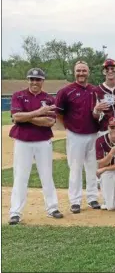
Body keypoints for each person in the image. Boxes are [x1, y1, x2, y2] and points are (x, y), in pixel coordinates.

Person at [8, 68, 63, 225]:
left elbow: (50, 122)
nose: (34, 82)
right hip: (23, 141)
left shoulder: (49, 99)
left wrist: (27, 117)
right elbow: (16, 116)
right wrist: (39, 112)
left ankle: (52, 208)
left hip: (43, 141)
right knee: (20, 176)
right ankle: (15, 212)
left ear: (42, 81)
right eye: (32, 79)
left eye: (38, 79)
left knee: (47, 175)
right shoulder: (18, 95)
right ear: (28, 80)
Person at [55, 60, 101, 213]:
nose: (81, 73)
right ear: (74, 72)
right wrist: (68, 127)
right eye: (78, 70)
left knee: (92, 167)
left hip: (93, 133)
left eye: (84, 70)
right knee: (75, 168)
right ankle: (75, 200)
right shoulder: (66, 91)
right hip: (75, 134)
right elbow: (59, 113)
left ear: (88, 72)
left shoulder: (94, 90)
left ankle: (92, 197)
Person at [93, 58, 115, 136]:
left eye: (112, 69)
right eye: (107, 69)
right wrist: (96, 110)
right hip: (105, 130)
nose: (110, 71)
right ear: (103, 72)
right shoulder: (97, 90)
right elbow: (95, 116)